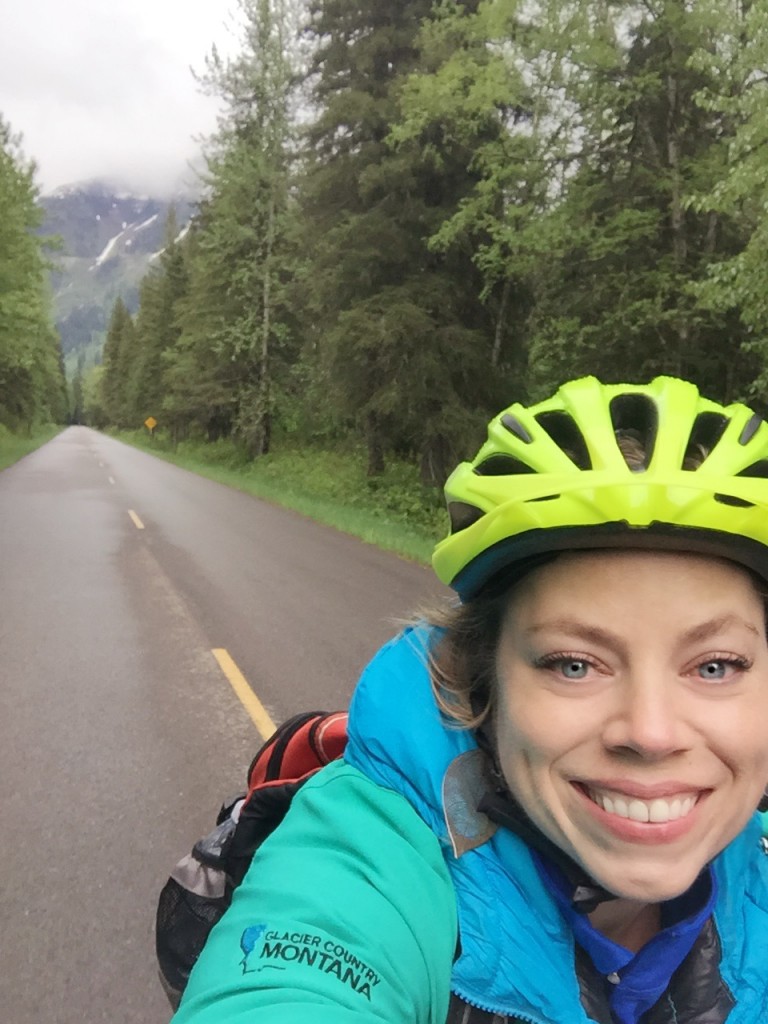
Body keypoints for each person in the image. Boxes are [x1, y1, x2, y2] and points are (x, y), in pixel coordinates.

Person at [172, 374, 768, 1024]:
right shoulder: (374, 849)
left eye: (716, 665)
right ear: (482, 679)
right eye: (574, 664)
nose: (652, 733)